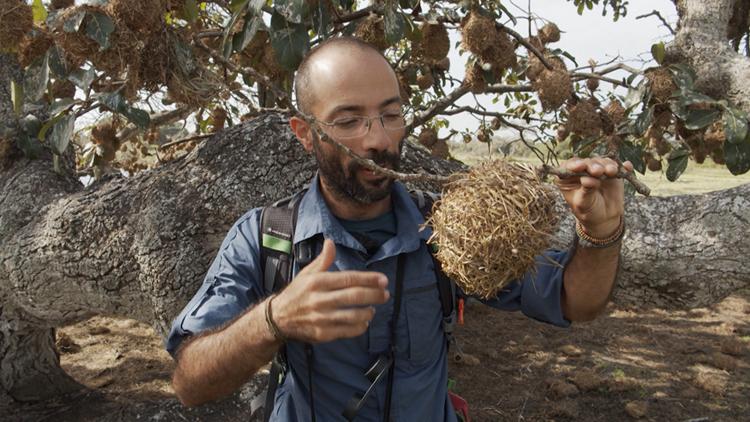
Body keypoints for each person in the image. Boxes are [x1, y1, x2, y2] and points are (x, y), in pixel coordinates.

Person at [166, 36, 631, 421]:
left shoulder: (451, 229)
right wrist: (273, 321)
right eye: (349, 121)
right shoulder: (266, 238)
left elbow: (574, 301)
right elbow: (189, 383)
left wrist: (600, 234)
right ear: (305, 132)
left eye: (390, 114)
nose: (379, 139)